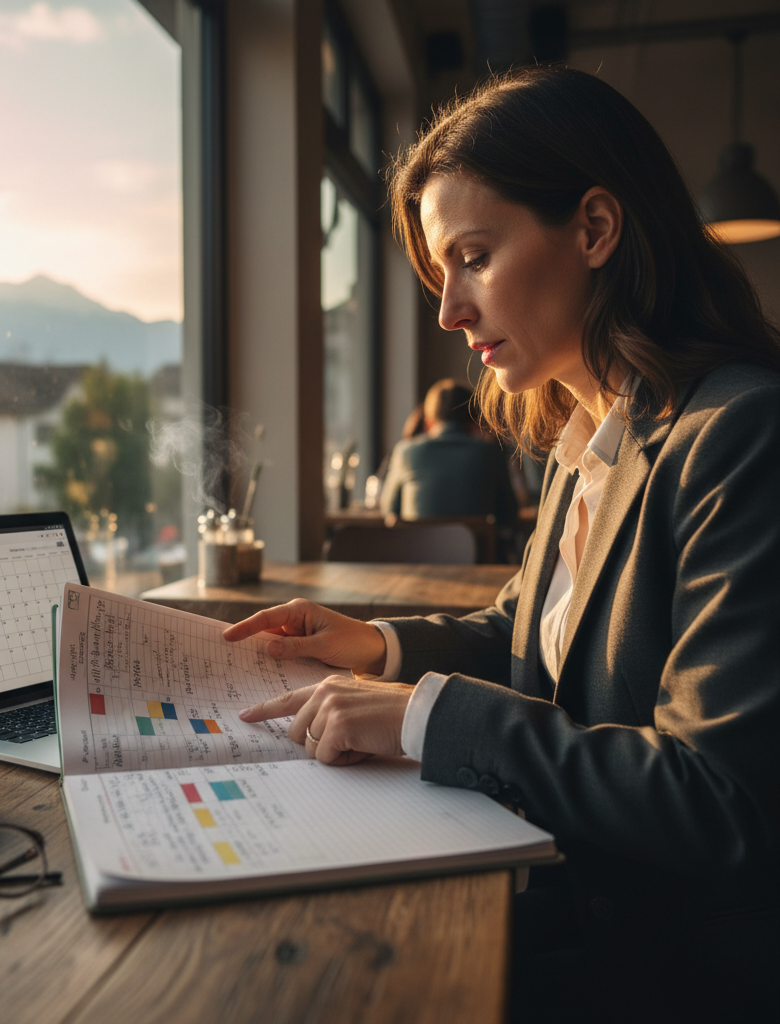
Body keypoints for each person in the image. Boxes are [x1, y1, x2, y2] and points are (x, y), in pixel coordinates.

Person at [224, 66, 780, 1023]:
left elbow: (718, 800)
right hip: (572, 889)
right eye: (441, 273)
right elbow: (528, 634)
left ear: (596, 230)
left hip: (664, 960)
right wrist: (376, 646)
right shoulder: (591, 433)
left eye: (473, 257)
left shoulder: (739, 435)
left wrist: (420, 718)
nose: (449, 310)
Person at [378, 377, 518, 530]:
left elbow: (389, 510)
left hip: (417, 553)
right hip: (476, 553)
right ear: (473, 419)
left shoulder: (405, 452)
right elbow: (508, 515)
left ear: (428, 422)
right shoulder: (490, 453)